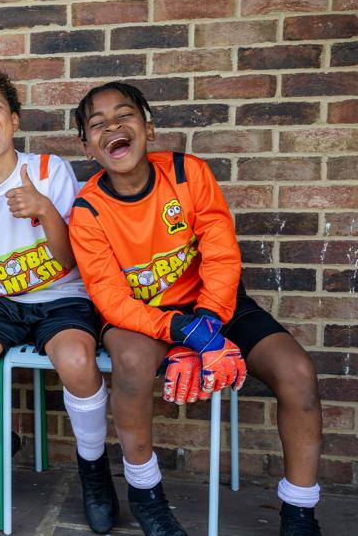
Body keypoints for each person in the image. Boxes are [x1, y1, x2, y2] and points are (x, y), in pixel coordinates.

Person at [69, 81, 322, 536]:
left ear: (148, 127)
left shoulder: (188, 173)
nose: (113, 127)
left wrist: (205, 324)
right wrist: (182, 332)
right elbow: (111, 298)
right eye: (98, 123)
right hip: (142, 314)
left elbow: (221, 254)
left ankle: (299, 511)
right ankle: (146, 495)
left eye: (124, 115)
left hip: (214, 303)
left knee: (298, 372)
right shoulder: (88, 209)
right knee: (131, 365)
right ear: (87, 146)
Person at [0, 65, 117, 533]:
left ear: (13, 120)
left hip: (63, 295)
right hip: (5, 301)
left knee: (77, 360)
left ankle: (93, 468)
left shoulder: (49, 170)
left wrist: (45, 210)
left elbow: (71, 260)